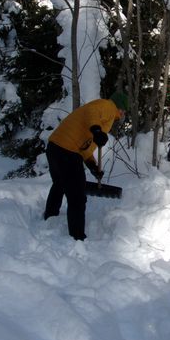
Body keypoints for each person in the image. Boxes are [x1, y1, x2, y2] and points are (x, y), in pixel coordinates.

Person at [44, 92, 128, 240]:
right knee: (77, 195)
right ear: (120, 108)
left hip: (55, 146)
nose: (123, 115)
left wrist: (93, 166)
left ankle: (50, 217)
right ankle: (77, 237)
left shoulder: (104, 115)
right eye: (124, 111)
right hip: (67, 150)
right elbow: (92, 112)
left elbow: (85, 148)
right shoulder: (108, 106)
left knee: (59, 184)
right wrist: (96, 130)